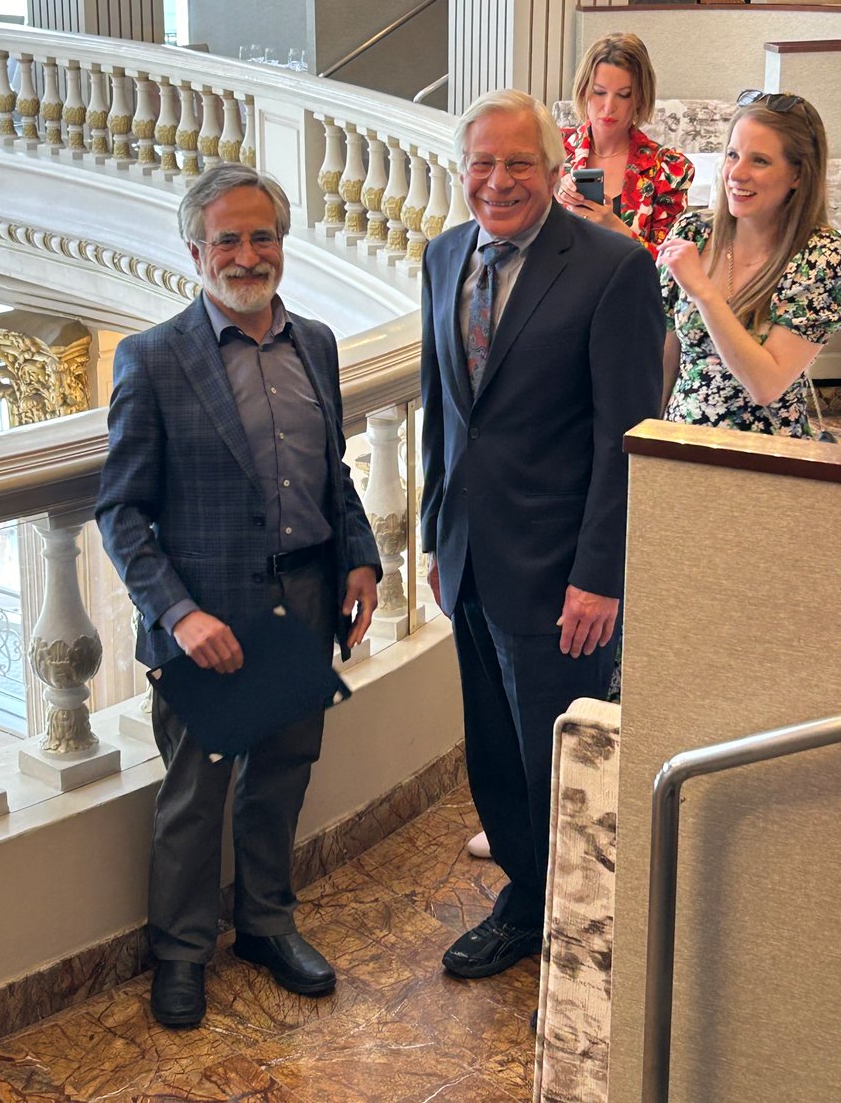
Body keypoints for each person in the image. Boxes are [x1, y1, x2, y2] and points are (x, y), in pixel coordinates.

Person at [96, 163, 380, 1028]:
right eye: (229, 239)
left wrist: (360, 558)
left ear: (282, 247)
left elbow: (329, 472)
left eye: (263, 237)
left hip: (304, 599)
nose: (248, 255)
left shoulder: (317, 344)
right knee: (195, 794)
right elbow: (122, 512)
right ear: (195, 250)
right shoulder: (151, 359)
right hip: (208, 625)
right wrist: (178, 615)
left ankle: (265, 925)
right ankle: (180, 955)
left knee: (282, 776)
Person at [421, 89, 664, 979]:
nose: (499, 180)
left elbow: (625, 438)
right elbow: (441, 412)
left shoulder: (611, 266)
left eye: (519, 162)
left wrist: (601, 576)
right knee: (492, 747)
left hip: (564, 575)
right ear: (463, 171)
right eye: (482, 163)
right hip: (472, 562)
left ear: (555, 168)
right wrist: (434, 542)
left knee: (556, 758)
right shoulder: (444, 253)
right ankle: (528, 899)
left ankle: (575, 930)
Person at [659, 91, 841, 437]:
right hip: (679, 448)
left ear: (798, 175)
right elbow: (664, 359)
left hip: (763, 462)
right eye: (732, 155)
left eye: (759, 161)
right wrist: (641, 449)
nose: (736, 173)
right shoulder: (692, 233)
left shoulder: (821, 258)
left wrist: (703, 292)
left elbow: (766, 384)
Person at [558, 32, 694, 257]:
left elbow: (667, 266)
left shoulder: (669, 169)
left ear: (640, 97)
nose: (609, 107)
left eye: (623, 95)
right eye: (599, 92)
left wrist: (612, 224)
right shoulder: (554, 150)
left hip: (628, 289)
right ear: (583, 91)